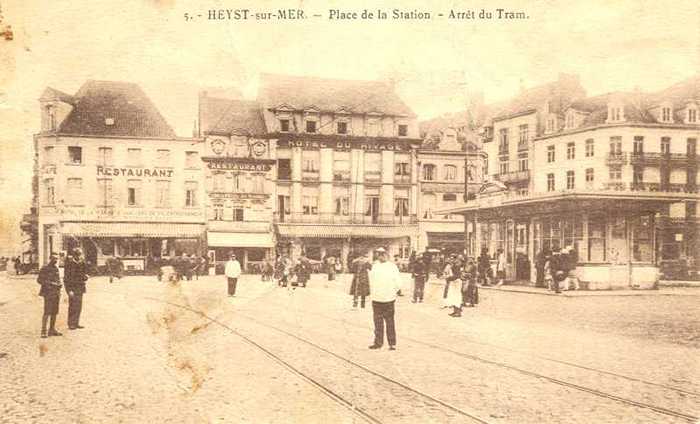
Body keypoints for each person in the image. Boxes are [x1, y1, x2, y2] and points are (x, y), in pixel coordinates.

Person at [368, 247, 402, 350]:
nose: (380, 256)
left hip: (388, 298)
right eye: (379, 254)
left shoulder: (392, 267)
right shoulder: (375, 266)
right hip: (377, 298)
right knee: (377, 322)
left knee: (390, 321)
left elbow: (398, 282)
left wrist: (394, 292)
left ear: (387, 255)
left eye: (383, 254)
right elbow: (372, 280)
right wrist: (372, 293)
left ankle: (392, 343)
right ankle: (378, 342)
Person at [37, 253, 63, 338]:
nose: (55, 260)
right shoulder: (45, 268)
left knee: (54, 312)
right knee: (47, 312)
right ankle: (43, 331)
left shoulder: (56, 268)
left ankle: (52, 330)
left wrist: (59, 284)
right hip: (48, 293)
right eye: (54, 258)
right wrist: (52, 283)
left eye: (56, 259)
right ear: (50, 259)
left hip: (56, 293)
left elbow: (57, 279)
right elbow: (39, 280)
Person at [64, 248, 89, 330]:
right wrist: (69, 290)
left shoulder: (82, 263)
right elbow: (66, 278)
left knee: (79, 306)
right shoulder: (69, 264)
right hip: (72, 288)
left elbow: (84, 274)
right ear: (74, 255)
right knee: (72, 306)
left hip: (80, 287)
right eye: (77, 255)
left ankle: (76, 322)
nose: (79, 256)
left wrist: (86, 277)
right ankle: (71, 323)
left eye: (80, 254)